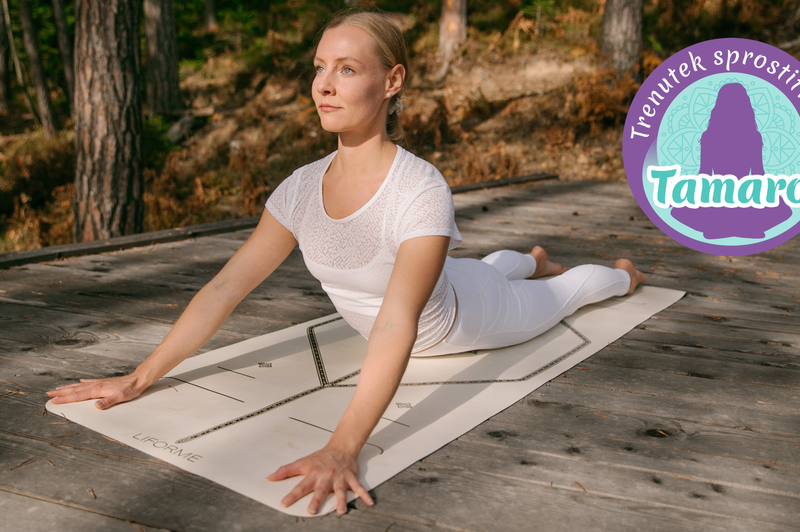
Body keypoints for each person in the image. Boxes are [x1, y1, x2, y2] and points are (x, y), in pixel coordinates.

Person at [47, 9, 645, 517]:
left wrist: (344, 445)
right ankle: (527, 259)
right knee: (483, 264)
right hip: (452, 281)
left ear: (392, 81)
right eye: (320, 67)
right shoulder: (300, 189)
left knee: (571, 292)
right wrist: (139, 376)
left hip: (466, 319)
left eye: (348, 69)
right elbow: (229, 285)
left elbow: (394, 322)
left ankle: (619, 273)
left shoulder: (420, 188)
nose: (324, 85)